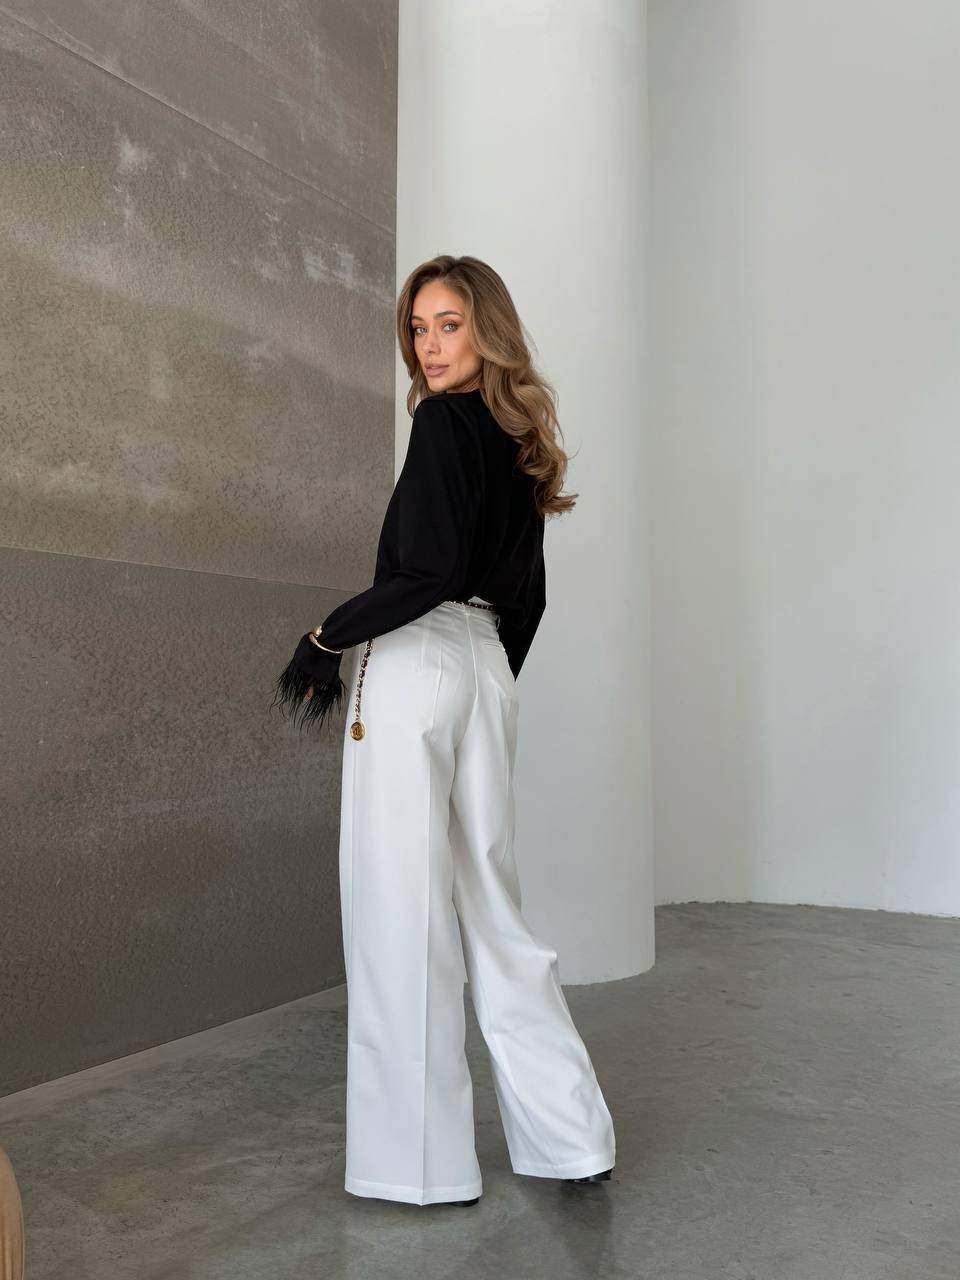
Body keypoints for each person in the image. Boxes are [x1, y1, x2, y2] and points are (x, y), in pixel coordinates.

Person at [272, 254, 615, 1207]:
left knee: (400, 906)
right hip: (487, 666)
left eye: (449, 325)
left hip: (418, 660)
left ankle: (417, 1166)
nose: (429, 345)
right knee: (494, 909)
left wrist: (326, 635)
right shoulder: (520, 442)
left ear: (486, 330)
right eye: (418, 329)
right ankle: (571, 1138)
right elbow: (528, 602)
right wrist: (484, 685)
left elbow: (421, 573)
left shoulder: (441, 426)